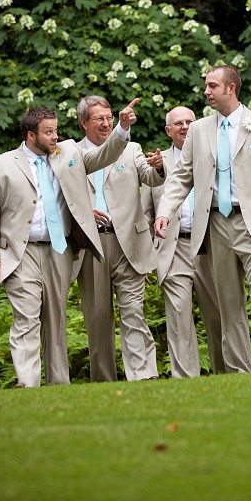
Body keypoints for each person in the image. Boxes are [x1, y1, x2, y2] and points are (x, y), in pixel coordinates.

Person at [0, 103, 136, 387]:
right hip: (20, 252)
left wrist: (122, 128)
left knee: (55, 321)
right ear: (30, 135)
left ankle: (58, 384)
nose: (55, 137)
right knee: (26, 316)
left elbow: (103, 155)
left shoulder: (68, 153)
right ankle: (27, 382)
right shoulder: (1, 164)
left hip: (59, 250)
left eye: (56, 131)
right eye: (48, 132)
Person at [153, 65, 251, 372]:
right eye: (206, 86)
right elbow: (181, 177)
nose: (206, 91)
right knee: (229, 304)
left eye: (212, 86)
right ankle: (238, 369)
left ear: (230, 88)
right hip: (215, 225)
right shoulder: (199, 129)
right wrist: (165, 211)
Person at [74, 95, 163, 382]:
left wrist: (159, 166)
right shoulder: (70, 154)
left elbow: (151, 178)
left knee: (134, 312)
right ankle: (103, 380)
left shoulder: (131, 147)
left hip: (130, 243)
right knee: (98, 317)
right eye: (99, 118)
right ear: (83, 122)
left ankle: (143, 375)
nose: (106, 123)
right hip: (91, 245)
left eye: (109, 117)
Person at [142, 106, 225, 377]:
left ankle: (226, 373)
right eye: (178, 123)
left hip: (209, 245)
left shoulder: (211, 154)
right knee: (178, 315)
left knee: (218, 314)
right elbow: (145, 213)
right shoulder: (155, 163)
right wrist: (146, 255)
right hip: (172, 248)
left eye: (190, 121)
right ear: (168, 130)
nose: (185, 126)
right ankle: (185, 379)